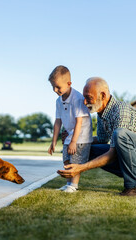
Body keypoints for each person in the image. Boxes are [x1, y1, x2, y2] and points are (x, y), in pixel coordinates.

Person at [58, 77, 136, 196]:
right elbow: (102, 140)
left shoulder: (121, 111)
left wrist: (81, 168)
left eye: (89, 97)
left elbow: (114, 153)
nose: (85, 102)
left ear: (103, 95)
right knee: (87, 149)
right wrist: (74, 140)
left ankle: (135, 188)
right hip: (134, 151)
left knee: (120, 134)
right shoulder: (102, 113)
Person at [48, 65, 93, 193]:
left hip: (81, 136)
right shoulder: (58, 101)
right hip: (70, 135)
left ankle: (74, 185)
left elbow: (79, 121)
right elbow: (58, 121)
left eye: (58, 87)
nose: (55, 90)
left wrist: (74, 141)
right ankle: (69, 184)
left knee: (75, 160)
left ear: (69, 83)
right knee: (67, 159)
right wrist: (53, 142)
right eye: (53, 87)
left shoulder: (77, 98)